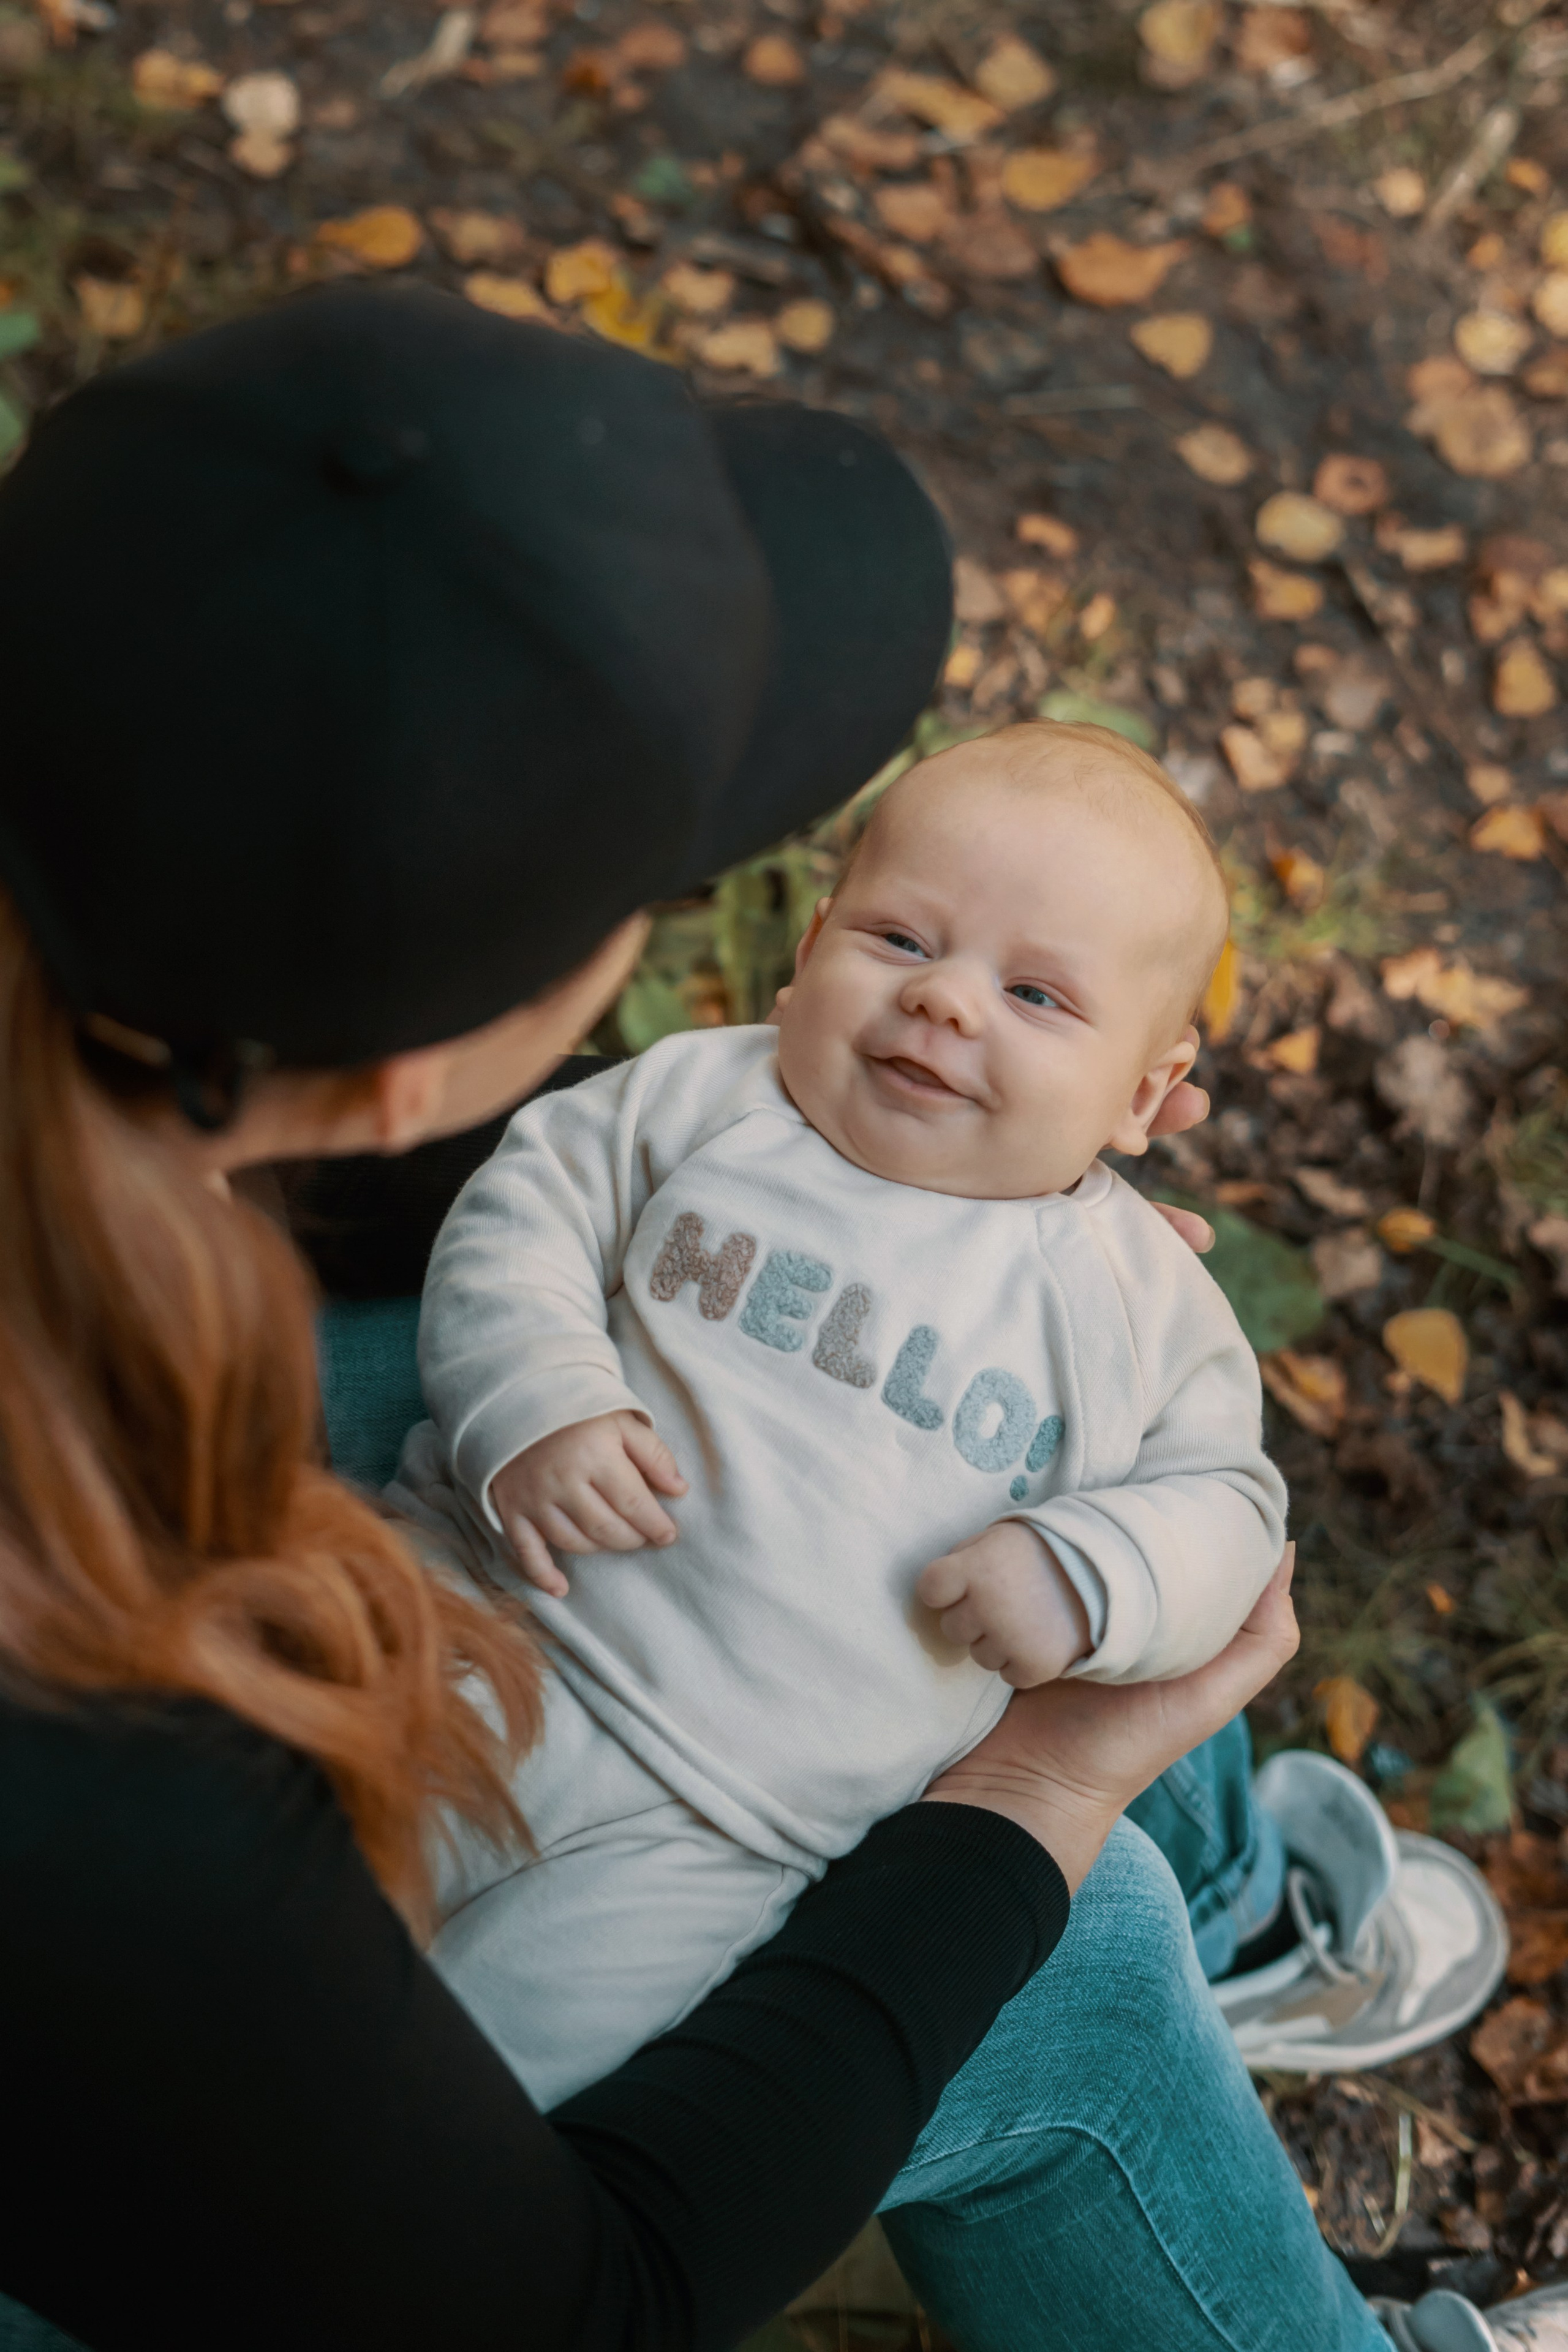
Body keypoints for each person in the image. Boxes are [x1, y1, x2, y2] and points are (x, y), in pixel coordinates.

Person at [0, 283, 1539, 2352]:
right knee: (1075, 1947)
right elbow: (568, 2304)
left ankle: (1242, 1900)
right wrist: (1045, 1792)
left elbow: (1197, 1494)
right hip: (191, 2174)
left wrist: (1063, 1504)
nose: (930, 999)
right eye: (869, 930)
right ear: (394, 1074)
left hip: (686, 1678)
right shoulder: (117, 1792)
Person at [393, 717, 1287, 2108]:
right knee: (266, 1894)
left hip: (725, 1827)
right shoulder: (709, 1097)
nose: (945, 1004)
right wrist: (538, 1398)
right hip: (474, 1618)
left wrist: (1090, 1574)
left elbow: (1229, 1510)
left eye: (1038, 997)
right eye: (901, 941)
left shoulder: (1135, 1304)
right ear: (808, 950)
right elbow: (527, 1208)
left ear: (1144, 1095)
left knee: (463, 2085)